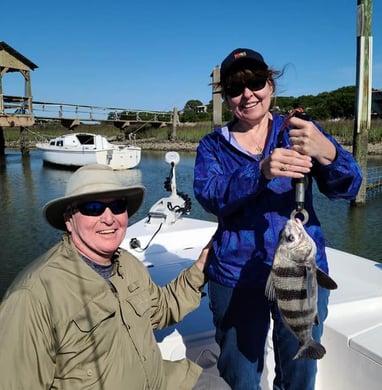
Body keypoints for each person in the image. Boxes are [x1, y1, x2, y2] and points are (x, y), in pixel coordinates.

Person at [193, 48, 363, 390]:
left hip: (301, 270)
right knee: (240, 374)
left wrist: (328, 152)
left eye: (255, 82)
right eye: (235, 89)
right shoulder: (212, 146)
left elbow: (348, 188)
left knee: (299, 374)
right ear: (226, 97)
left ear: (270, 84)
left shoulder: (299, 131)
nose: (248, 95)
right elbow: (210, 196)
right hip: (236, 277)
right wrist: (259, 171)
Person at [0, 164, 230, 390]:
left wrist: (201, 266)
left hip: (159, 380)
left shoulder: (128, 264)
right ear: (69, 220)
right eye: (92, 207)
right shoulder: (31, 297)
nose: (109, 219)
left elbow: (161, 309)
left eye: (117, 206)